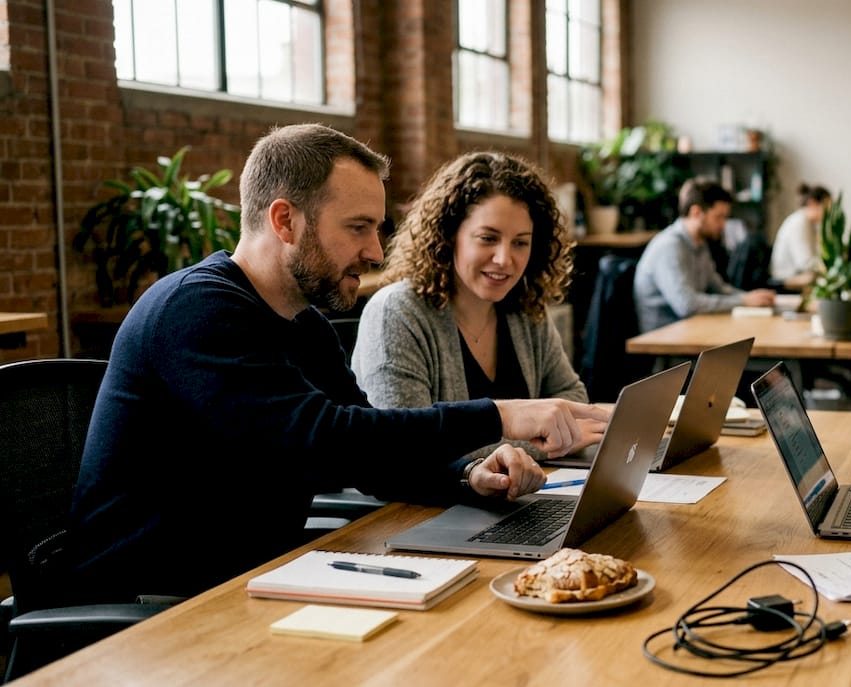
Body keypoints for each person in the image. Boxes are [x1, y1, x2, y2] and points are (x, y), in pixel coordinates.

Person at [65, 124, 609, 603]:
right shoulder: (196, 309)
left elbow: (368, 455)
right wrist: (500, 415)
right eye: (358, 227)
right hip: (154, 602)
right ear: (285, 220)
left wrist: (468, 477)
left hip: (252, 579)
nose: (376, 251)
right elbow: (321, 438)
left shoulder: (303, 323)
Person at [352, 151, 590, 459]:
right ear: (449, 236)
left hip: (522, 493)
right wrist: (538, 445)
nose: (505, 259)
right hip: (423, 505)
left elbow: (573, 399)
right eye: (488, 238)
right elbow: (406, 449)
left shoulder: (524, 307)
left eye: (520, 242)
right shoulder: (397, 312)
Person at [633, 178, 775, 333]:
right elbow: (686, 305)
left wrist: (752, 298)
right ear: (696, 212)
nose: (723, 224)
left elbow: (717, 287)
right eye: (719, 217)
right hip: (665, 340)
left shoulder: (700, 244)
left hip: (692, 330)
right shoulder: (670, 247)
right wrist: (743, 301)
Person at [769, 182, 831, 289]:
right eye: (827, 207)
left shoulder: (810, 225)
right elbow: (805, 264)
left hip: (796, 276)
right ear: (812, 204)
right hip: (786, 280)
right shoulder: (800, 222)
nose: (829, 212)